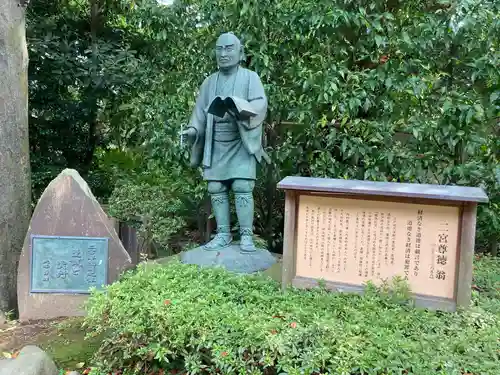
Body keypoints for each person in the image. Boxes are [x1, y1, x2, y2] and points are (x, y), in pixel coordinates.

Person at [182, 32, 269, 253]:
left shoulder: (250, 78)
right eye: (219, 49)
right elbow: (199, 113)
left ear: (240, 52)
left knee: (242, 186)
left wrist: (241, 108)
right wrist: (192, 131)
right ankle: (223, 234)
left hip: (241, 140)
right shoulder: (209, 82)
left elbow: (260, 104)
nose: (223, 53)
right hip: (215, 142)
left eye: (229, 48)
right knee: (215, 186)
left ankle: (246, 235)